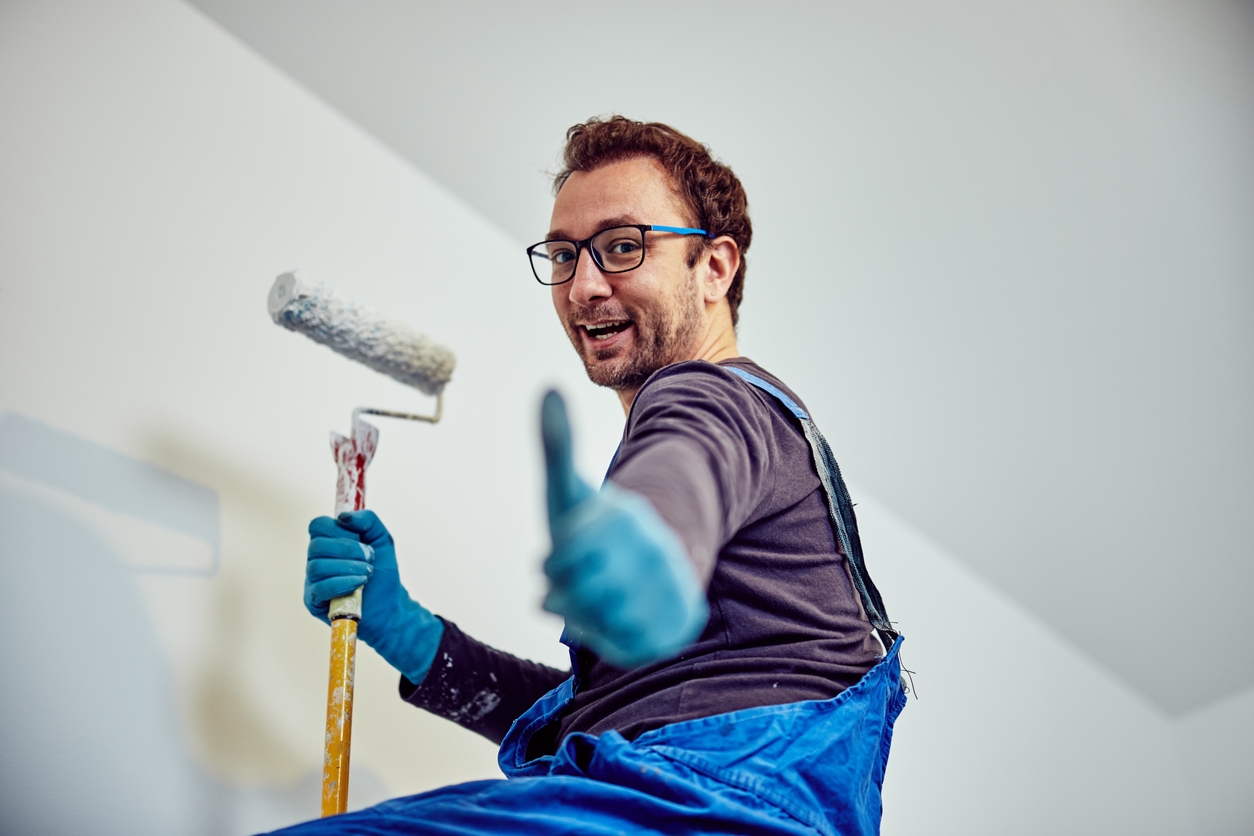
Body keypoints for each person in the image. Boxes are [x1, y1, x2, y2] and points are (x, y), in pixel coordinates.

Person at [277, 116, 905, 836]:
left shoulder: (707, 397)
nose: (582, 286)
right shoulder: (769, 452)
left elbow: (688, 467)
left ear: (716, 268)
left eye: (622, 246)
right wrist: (409, 632)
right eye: (564, 254)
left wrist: (655, 539)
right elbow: (605, 720)